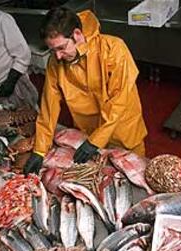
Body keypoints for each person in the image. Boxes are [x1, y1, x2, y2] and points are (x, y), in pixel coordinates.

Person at [23, 7, 148, 175]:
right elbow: (48, 108)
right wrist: (39, 150)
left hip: (124, 135)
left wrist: (96, 140)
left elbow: (119, 103)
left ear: (77, 34)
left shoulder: (114, 49)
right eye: (53, 50)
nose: (58, 56)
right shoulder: (56, 62)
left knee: (132, 179)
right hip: (87, 137)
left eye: (61, 48)